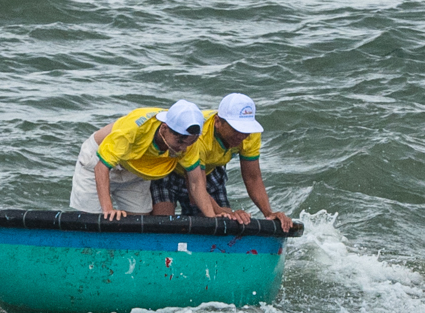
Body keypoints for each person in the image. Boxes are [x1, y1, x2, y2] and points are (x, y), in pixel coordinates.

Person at [153, 92, 296, 230]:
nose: (241, 136)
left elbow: (253, 178)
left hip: (210, 171)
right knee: (163, 223)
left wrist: (268, 213)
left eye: (245, 130)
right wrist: (222, 212)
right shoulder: (199, 136)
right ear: (217, 122)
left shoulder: (250, 135)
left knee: (225, 224)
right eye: (236, 129)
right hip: (170, 170)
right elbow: (195, 187)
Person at [69, 101, 210, 221]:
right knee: (94, 220)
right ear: (164, 127)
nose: (184, 149)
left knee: (140, 221)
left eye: (189, 143)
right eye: (180, 142)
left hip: (136, 168)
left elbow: (196, 182)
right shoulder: (133, 130)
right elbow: (101, 168)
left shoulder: (188, 140)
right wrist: (108, 209)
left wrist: (213, 218)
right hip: (98, 161)